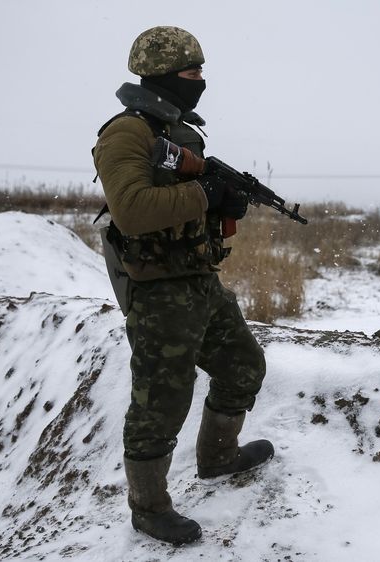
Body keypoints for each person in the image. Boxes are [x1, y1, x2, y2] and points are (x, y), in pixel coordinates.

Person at [92, 26, 274, 545]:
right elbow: (131, 212)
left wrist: (223, 204)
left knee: (243, 366)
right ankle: (148, 508)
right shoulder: (127, 133)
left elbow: (189, 200)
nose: (201, 82)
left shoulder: (179, 130)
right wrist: (205, 192)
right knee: (161, 402)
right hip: (157, 292)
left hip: (198, 282)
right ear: (165, 75)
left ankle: (218, 457)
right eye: (192, 73)